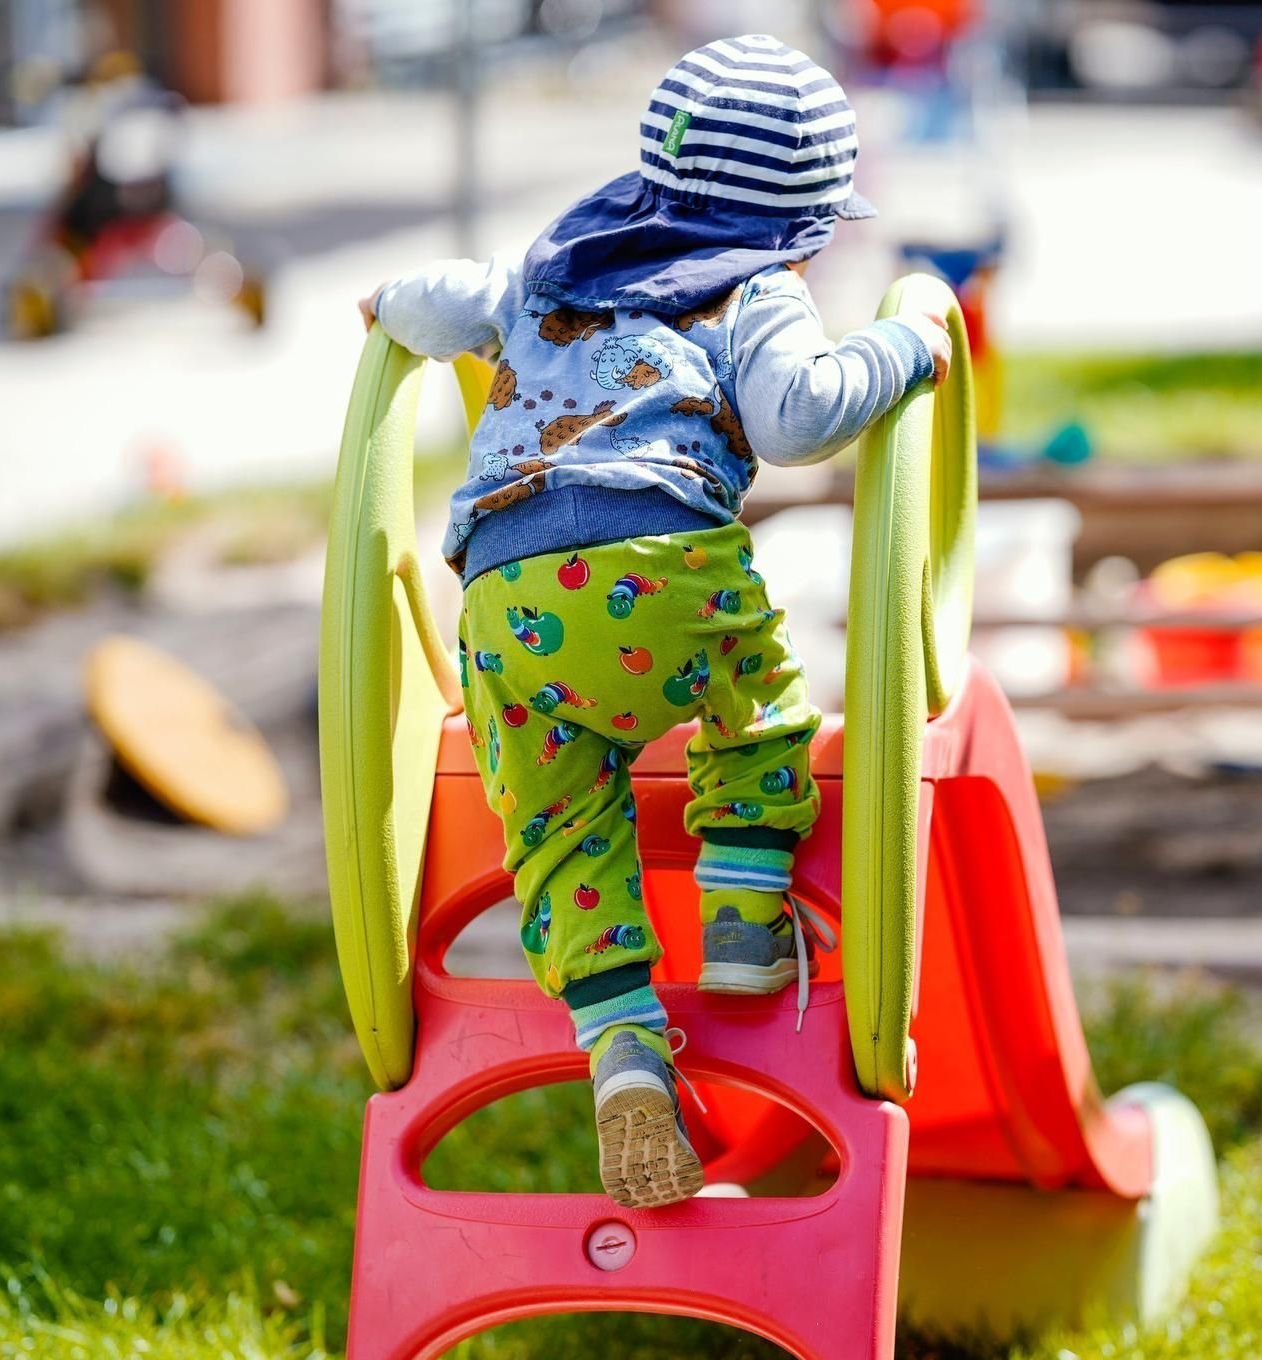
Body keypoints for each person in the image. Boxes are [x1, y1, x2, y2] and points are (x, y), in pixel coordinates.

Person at [362, 34, 949, 1209]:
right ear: (800, 217)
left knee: (559, 827)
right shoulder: (755, 286)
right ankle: (738, 907)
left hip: (509, 600)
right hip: (663, 570)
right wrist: (907, 348)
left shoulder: (554, 268)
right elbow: (794, 419)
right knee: (762, 701)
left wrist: (387, 306)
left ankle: (621, 1044)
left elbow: (437, 299)